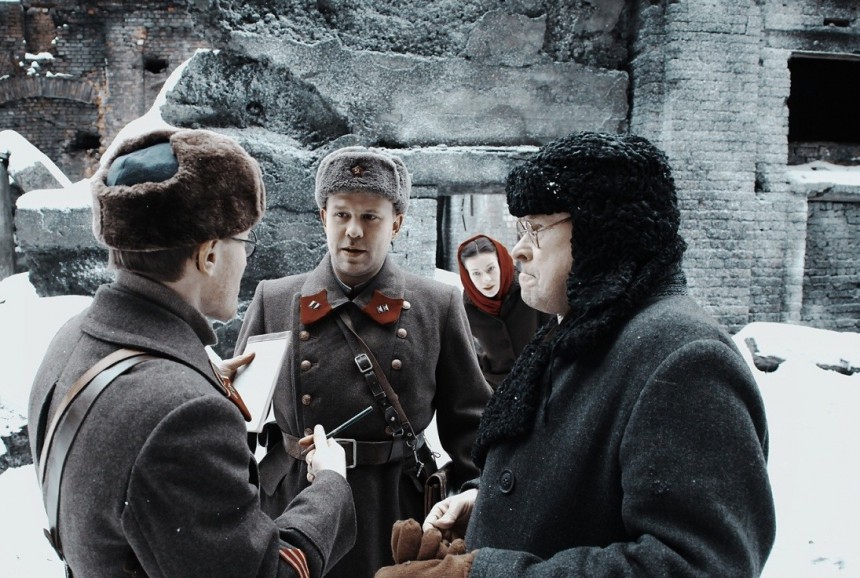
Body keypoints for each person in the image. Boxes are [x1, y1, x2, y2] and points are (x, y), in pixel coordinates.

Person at [375, 132, 777, 577]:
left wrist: (480, 574)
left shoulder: (684, 360)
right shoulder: (582, 331)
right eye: (521, 229)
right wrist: (484, 507)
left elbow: (697, 565)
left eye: (537, 229)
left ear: (600, 233)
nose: (519, 250)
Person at [28, 128, 356, 578]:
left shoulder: (70, 340)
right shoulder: (184, 414)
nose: (246, 259)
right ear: (209, 256)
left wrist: (195, 374)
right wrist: (330, 484)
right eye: (244, 242)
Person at [235, 146, 493, 578]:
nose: (353, 231)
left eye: (370, 217)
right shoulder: (275, 300)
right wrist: (235, 508)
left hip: (393, 506)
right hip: (296, 503)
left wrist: (475, 494)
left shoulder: (437, 304)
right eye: (342, 215)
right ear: (324, 218)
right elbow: (238, 422)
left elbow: (471, 423)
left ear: (397, 223)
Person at [457, 234, 551, 388]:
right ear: (467, 276)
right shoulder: (465, 312)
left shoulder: (529, 291)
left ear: (501, 264)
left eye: (491, 269)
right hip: (495, 392)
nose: (486, 280)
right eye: (476, 273)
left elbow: (553, 334)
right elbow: (466, 359)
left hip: (543, 383)